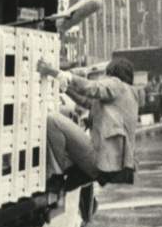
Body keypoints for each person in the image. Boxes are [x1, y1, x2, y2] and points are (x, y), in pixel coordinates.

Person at [37, 56, 139, 186]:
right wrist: (66, 89)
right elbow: (88, 102)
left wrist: (57, 74)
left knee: (52, 120)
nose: (105, 78)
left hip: (100, 159)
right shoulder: (128, 95)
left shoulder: (117, 84)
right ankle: (71, 171)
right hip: (111, 166)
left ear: (113, 73)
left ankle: (57, 173)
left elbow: (92, 87)